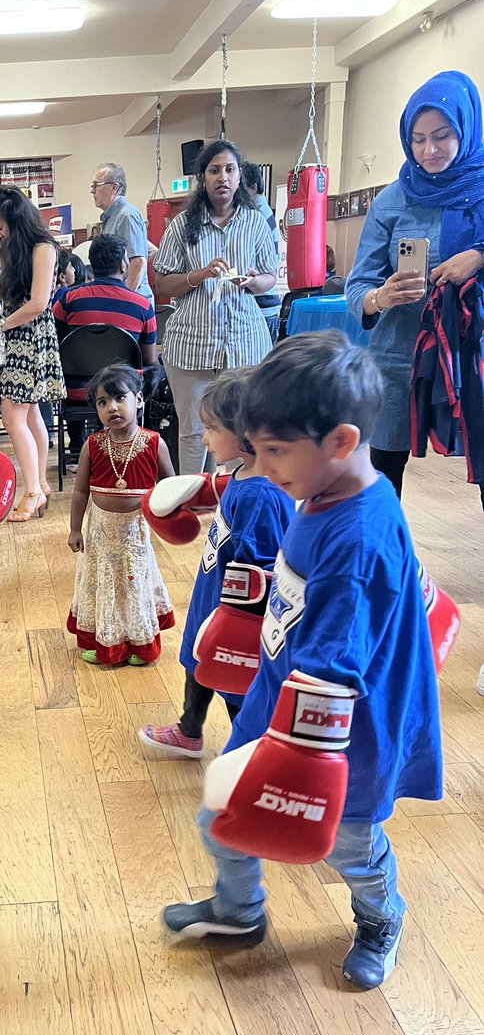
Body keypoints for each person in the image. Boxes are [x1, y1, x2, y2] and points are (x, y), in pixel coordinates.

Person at [164, 332, 442, 991]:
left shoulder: (358, 538)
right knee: (219, 813)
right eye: (255, 449)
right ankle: (240, 910)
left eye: (274, 451)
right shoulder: (321, 489)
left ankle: (382, 917)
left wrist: (289, 765)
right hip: (279, 697)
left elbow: (335, 664)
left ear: (340, 441)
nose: (260, 465)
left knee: (350, 846)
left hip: (342, 734)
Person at [139, 370, 293, 756]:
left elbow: (257, 567)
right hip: (213, 594)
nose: (204, 438)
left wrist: (233, 623)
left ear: (246, 432)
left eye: (211, 429)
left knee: (234, 678)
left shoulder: (262, 495)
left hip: (236, 612)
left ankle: (251, 751)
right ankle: (189, 730)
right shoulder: (243, 474)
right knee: (197, 660)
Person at [346, 70, 484, 500]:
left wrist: (479, 255)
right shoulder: (391, 200)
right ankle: (383, 563)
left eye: (442, 135)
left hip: (472, 354)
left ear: (466, 128)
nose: (429, 150)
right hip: (400, 354)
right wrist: (378, 297)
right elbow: (359, 284)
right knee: (382, 473)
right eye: (418, 139)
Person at [153, 140, 278, 474]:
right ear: (203, 178)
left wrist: (253, 281)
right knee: (194, 432)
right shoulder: (181, 225)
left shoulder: (255, 223)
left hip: (245, 342)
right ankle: (194, 503)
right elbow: (162, 284)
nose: (222, 176)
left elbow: (270, 276)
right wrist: (199, 274)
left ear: (239, 177)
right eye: (214, 170)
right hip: (191, 343)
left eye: (230, 169)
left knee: (242, 429)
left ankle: (237, 501)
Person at [67, 363, 175, 665]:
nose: (111, 407)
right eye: (102, 402)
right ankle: (101, 639)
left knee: (133, 583)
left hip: (135, 533)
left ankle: (138, 644)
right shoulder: (92, 445)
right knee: (101, 583)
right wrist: (75, 529)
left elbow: (170, 486)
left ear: (138, 399)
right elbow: (79, 492)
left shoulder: (155, 443)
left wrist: (172, 521)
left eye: (119, 398)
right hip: (100, 532)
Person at [0, 184, 65, 521]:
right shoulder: (16, 249)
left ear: (15, 218)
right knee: (29, 415)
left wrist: (2, 326)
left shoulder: (43, 248)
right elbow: (10, 294)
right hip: (17, 332)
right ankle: (39, 483)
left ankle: (31, 491)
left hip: (29, 336)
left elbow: (39, 303)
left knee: (13, 417)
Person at [53, 232, 160, 472]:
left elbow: (55, 344)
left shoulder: (69, 299)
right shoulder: (142, 305)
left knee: (76, 375)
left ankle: (77, 448)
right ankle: (124, 445)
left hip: (75, 391)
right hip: (122, 395)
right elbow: (149, 359)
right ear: (123, 265)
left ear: (91, 263)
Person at [90, 164, 153, 304]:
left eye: (96, 185)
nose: (92, 191)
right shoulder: (112, 217)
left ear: (114, 187)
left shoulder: (126, 216)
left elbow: (137, 261)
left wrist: (124, 301)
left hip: (132, 300)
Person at [241, 161, 282, 343]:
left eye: (241, 186)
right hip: (261, 305)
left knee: (260, 369)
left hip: (263, 306)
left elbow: (264, 267)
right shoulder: (260, 212)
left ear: (253, 188)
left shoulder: (259, 216)